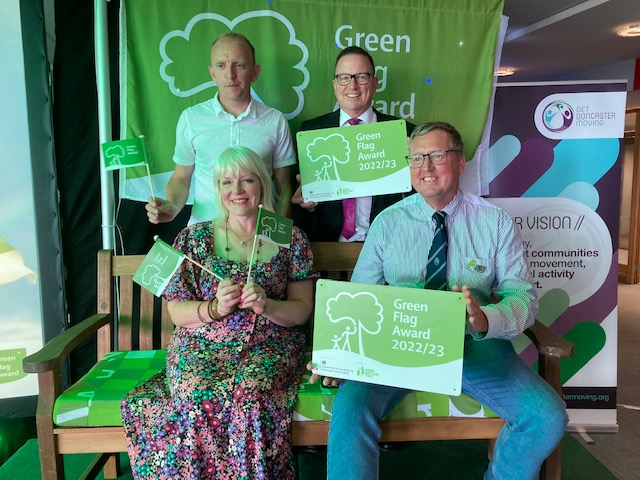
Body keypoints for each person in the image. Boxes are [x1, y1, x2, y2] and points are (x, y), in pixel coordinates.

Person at [313, 122, 568, 479]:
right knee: (350, 407)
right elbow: (359, 298)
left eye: (437, 155)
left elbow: (523, 296)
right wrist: (339, 359)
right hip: (396, 345)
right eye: (416, 158)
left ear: (461, 162)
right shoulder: (388, 223)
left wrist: (486, 318)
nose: (426, 167)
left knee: (546, 417)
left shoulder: (495, 223)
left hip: (472, 346)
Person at [122, 146, 319, 479]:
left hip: (268, 346)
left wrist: (266, 304)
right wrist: (214, 308)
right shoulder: (194, 239)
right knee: (198, 394)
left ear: (263, 185)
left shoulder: (286, 236)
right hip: (201, 347)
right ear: (217, 189)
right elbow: (176, 312)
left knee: (252, 396)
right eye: (226, 182)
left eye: (246, 180)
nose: (237, 191)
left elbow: (301, 311)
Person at [146, 32, 296, 227]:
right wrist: (172, 206)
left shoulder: (275, 121)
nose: (230, 75)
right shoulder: (191, 118)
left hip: (257, 236)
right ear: (212, 73)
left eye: (239, 65)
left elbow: (284, 186)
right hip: (203, 232)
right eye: (221, 65)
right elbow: (181, 177)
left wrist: (277, 233)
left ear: (254, 72)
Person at [292, 46, 415, 242]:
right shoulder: (310, 131)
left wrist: (414, 164)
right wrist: (308, 201)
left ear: (374, 83)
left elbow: (418, 199)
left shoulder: (404, 133)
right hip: (327, 247)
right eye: (344, 77)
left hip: (387, 246)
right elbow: (301, 203)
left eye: (362, 77)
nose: (352, 86)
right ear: (334, 84)